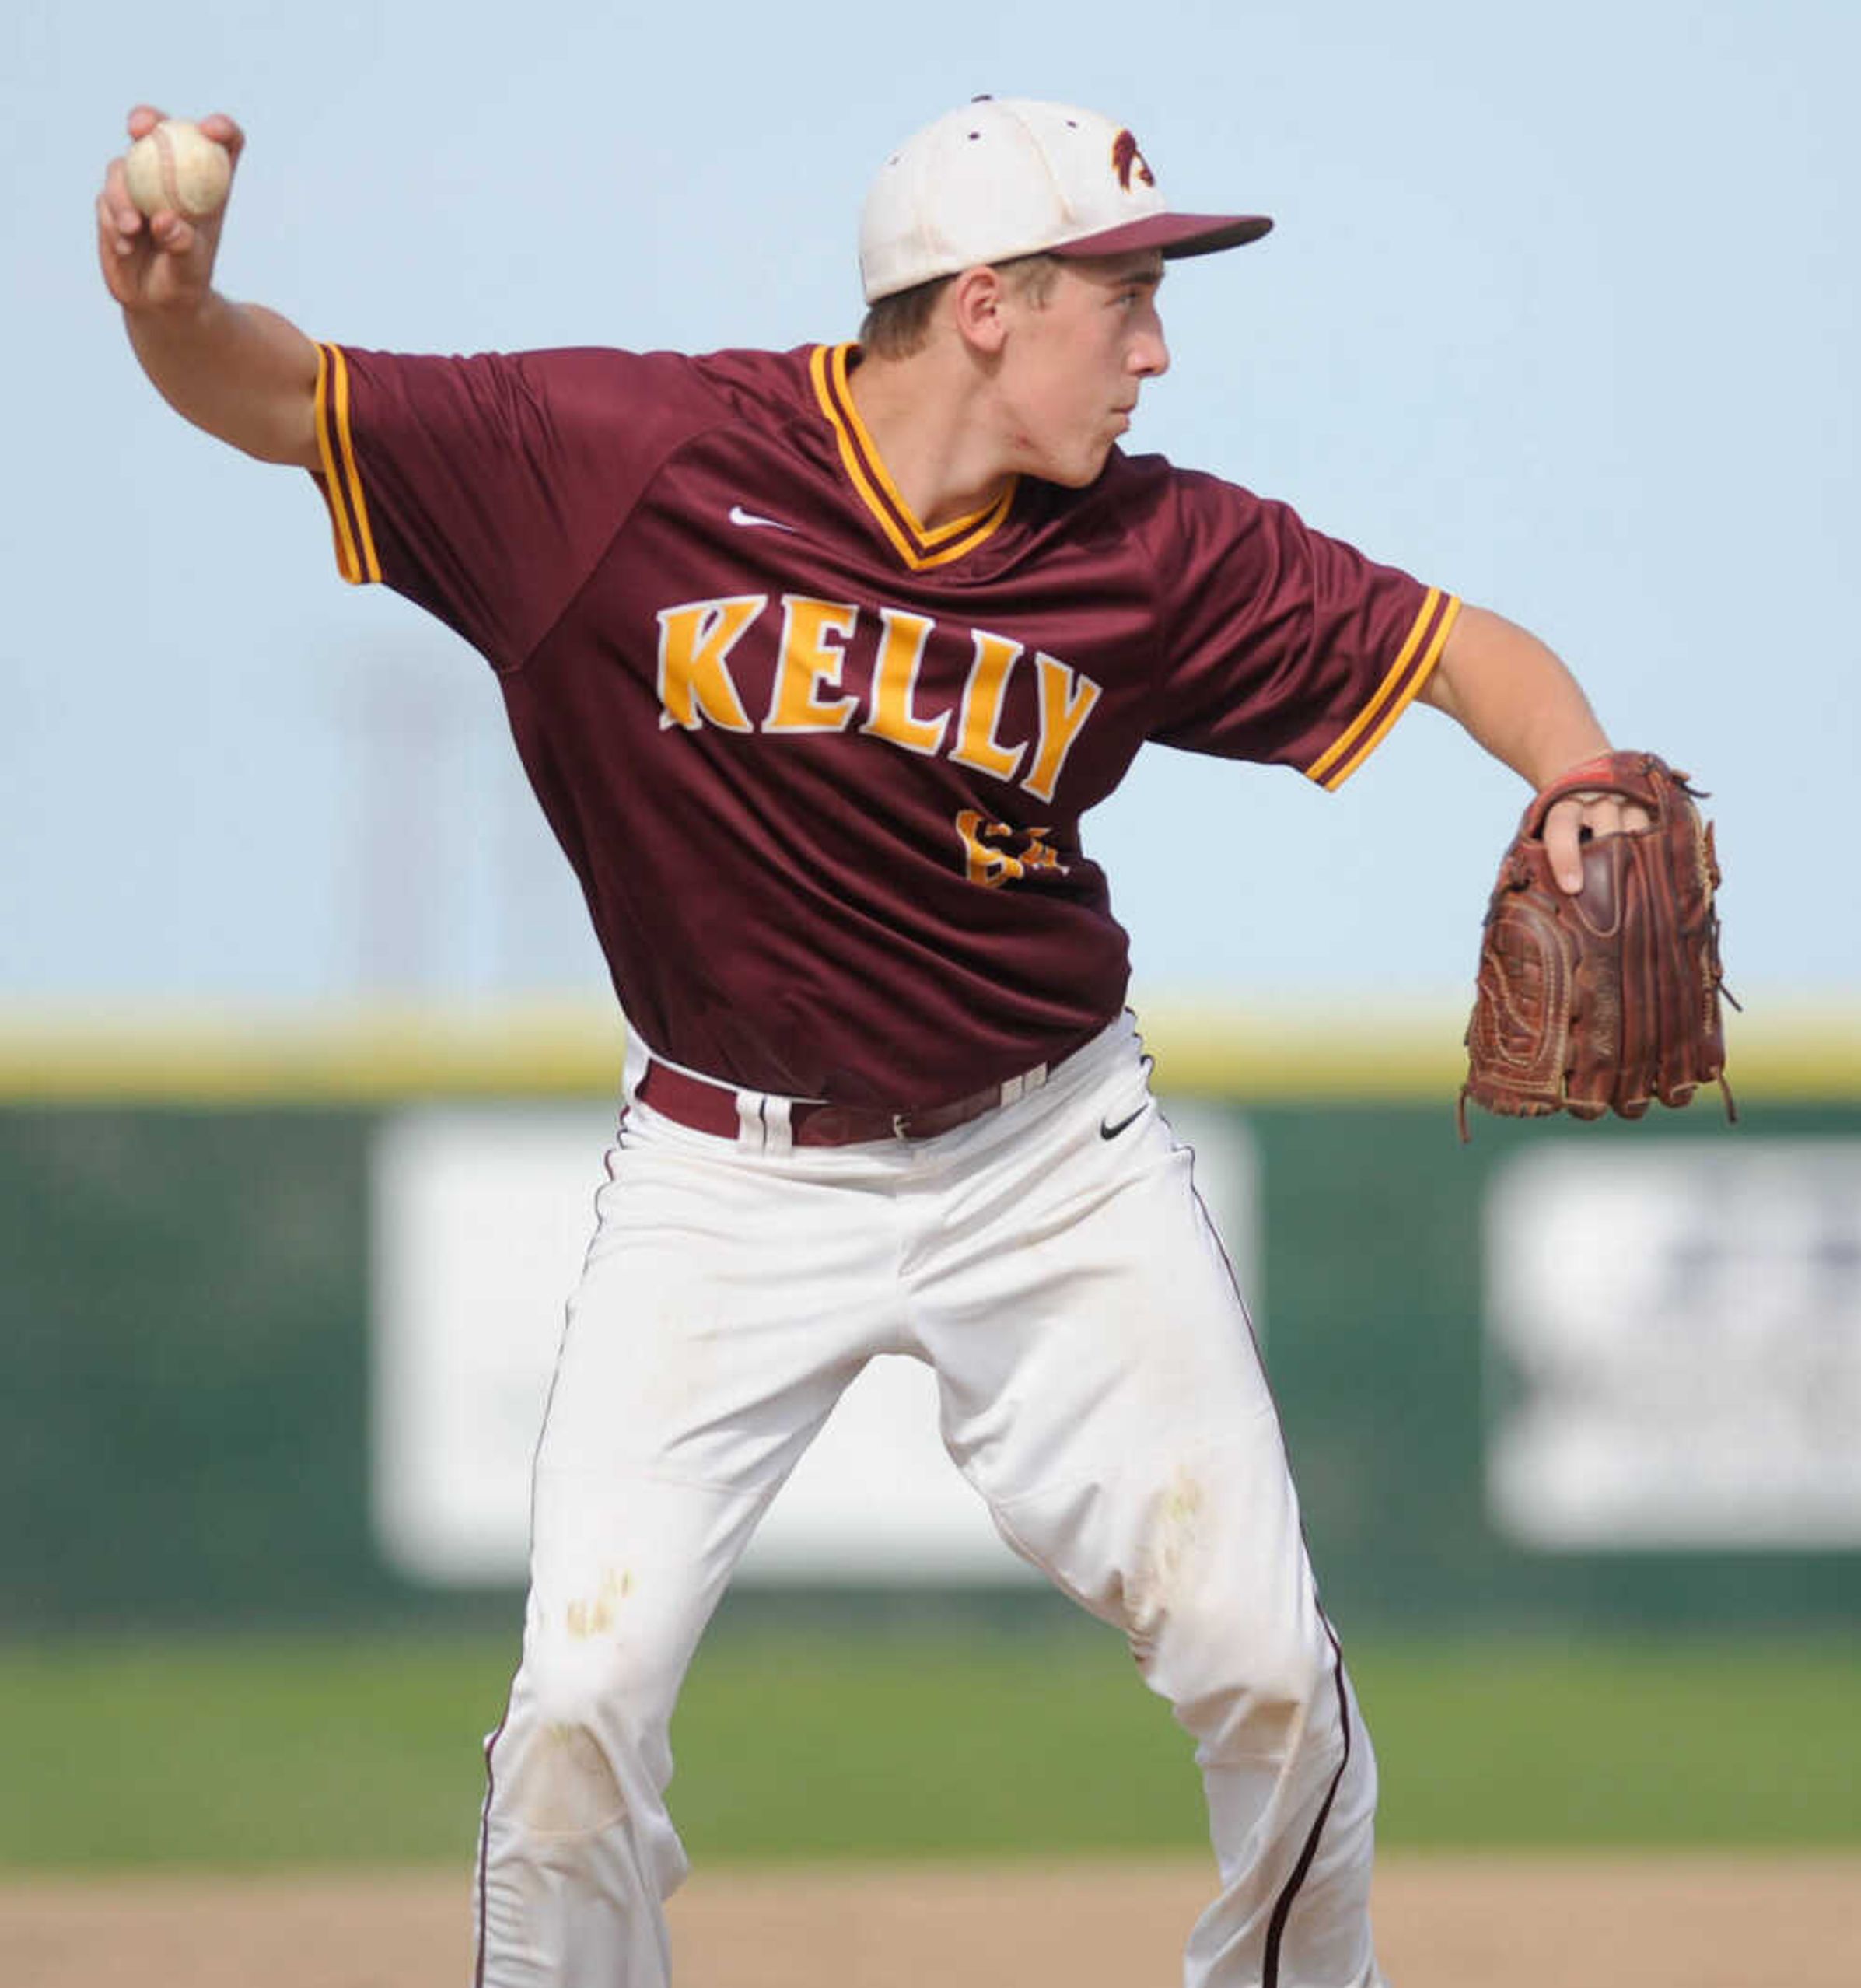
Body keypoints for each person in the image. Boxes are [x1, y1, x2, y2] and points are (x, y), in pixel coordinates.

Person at [99, 95, 1653, 1987]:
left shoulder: (1150, 552)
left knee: (1265, 1671)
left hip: (1046, 1162)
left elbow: (1454, 647)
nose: (1157, 351)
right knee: (578, 1707)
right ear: (984, 303)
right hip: (722, 1179)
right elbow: (280, 397)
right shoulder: (622, 459)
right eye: (1126, 301)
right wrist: (173, 307)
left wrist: (1576, 775)